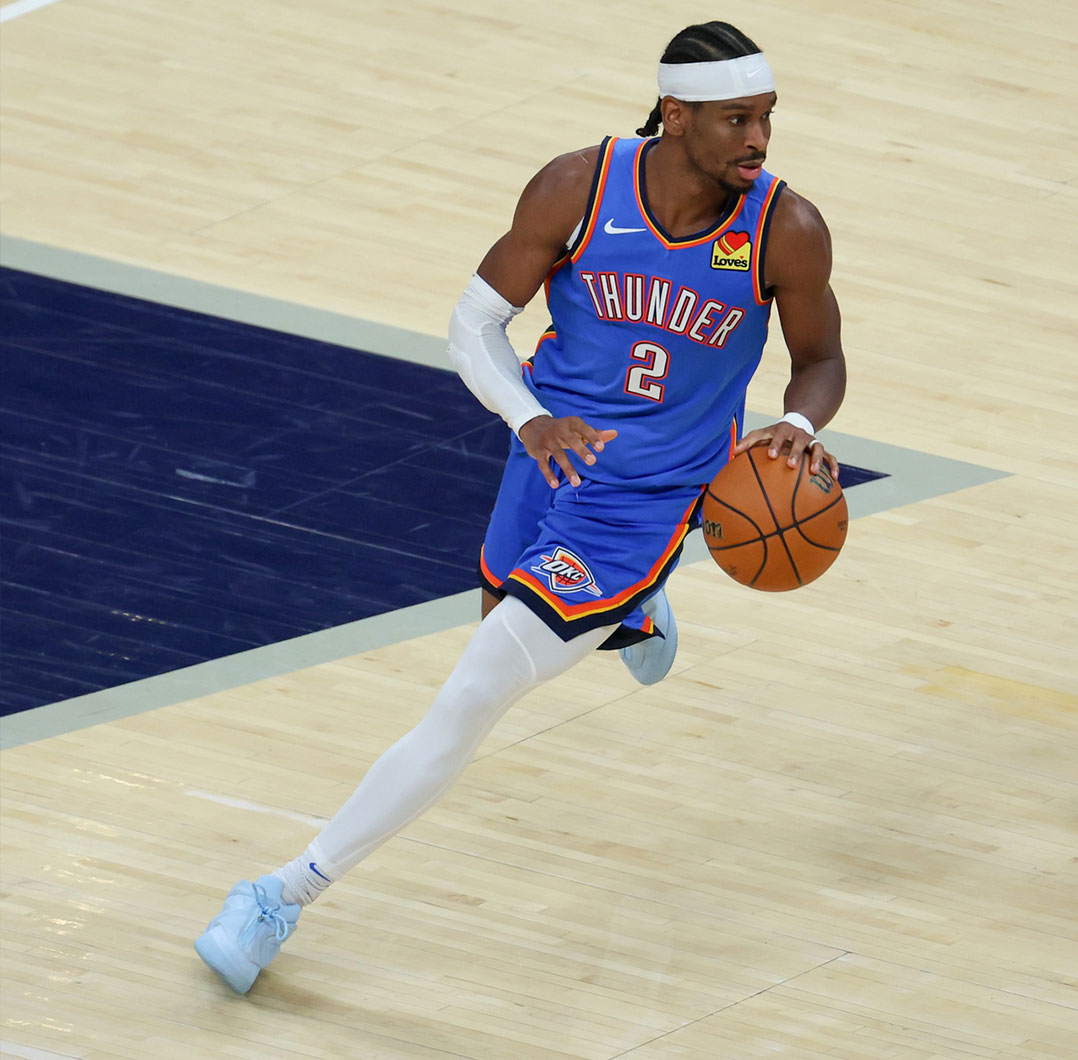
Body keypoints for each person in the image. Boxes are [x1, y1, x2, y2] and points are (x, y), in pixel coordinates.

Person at [192, 21, 847, 995]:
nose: (759, 139)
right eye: (737, 119)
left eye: (766, 118)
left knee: (468, 696)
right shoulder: (578, 187)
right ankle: (631, 615)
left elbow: (821, 358)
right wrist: (533, 418)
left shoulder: (784, 227)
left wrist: (800, 422)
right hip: (545, 463)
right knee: (497, 617)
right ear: (675, 115)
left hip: (647, 503)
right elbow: (475, 321)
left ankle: (283, 892)